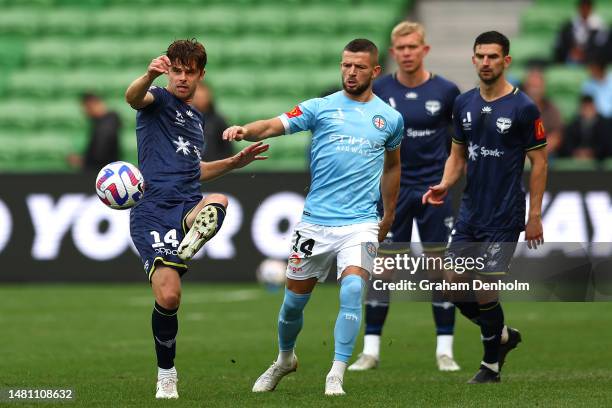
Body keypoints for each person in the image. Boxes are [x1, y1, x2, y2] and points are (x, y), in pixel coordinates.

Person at [223, 38, 403, 396]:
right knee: (293, 304)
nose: (351, 72)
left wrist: (389, 215)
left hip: (361, 222)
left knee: (353, 288)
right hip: (316, 223)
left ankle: (336, 372)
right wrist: (245, 130)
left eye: (359, 67)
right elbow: (274, 124)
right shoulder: (320, 108)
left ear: (375, 71)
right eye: (346, 65)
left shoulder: (390, 119)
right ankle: (284, 359)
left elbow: (393, 168)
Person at [124, 39, 269, 399]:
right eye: (177, 70)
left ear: (201, 75)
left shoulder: (196, 119)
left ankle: (186, 248)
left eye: (190, 72)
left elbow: (195, 171)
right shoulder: (156, 99)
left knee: (218, 200)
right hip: (153, 209)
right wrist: (148, 75)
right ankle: (166, 374)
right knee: (170, 297)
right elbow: (131, 98)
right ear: (169, 69)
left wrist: (235, 163)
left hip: (186, 204)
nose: (183, 78)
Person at [422, 31, 548, 383]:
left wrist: (534, 215)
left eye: (493, 56)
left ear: (506, 60)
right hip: (470, 212)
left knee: (484, 288)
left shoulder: (523, 107)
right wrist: (446, 183)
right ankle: (501, 334)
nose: (486, 62)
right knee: (450, 285)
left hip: (505, 215)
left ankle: (490, 365)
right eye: (481, 56)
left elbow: (539, 162)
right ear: (473, 59)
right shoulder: (464, 104)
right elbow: (457, 155)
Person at [348, 21, 461, 373]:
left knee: (439, 268)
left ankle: (445, 349)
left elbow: (459, 146)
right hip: (391, 191)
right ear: (393, 52)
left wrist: (447, 181)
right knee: (384, 269)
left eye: (413, 47)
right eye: (401, 48)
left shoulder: (446, 91)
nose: (408, 53)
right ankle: (370, 350)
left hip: (433, 191)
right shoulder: (379, 89)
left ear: (424, 50)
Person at [67, 92, 121, 171]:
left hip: (103, 173)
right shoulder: (104, 122)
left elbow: (100, 154)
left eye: (86, 108)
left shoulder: (106, 124)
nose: (85, 112)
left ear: (91, 104)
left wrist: (82, 161)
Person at [522, 67, 564, 158]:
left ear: (544, 87)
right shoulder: (516, 107)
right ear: (526, 88)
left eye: (538, 86)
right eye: (532, 86)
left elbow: (556, 137)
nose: (535, 91)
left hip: (545, 154)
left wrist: (536, 154)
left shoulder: (552, 109)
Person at [553, 0, 609, 65]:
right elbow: (561, 44)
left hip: (592, 59)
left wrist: (585, 53)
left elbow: (602, 47)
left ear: (591, 9)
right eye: (582, 8)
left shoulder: (600, 26)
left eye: (587, 8)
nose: (584, 10)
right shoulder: (569, 26)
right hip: (572, 58)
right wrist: (572, 51)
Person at [191, 82, 234, 161]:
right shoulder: (184, 119)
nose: (200, 100)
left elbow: (228, 150)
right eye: (197, 97)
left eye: (203, 97)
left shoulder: (218, 122)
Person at [560, 94, 611, 159]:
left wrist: (592, 153)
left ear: (594, 108)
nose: (587, 111)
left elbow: (607, 146)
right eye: (585, 108)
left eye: (589, 108)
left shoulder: (605, 125)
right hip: (576, 161)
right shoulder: (573, 126)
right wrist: (577, 153)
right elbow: (567, 146)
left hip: (600, 163)